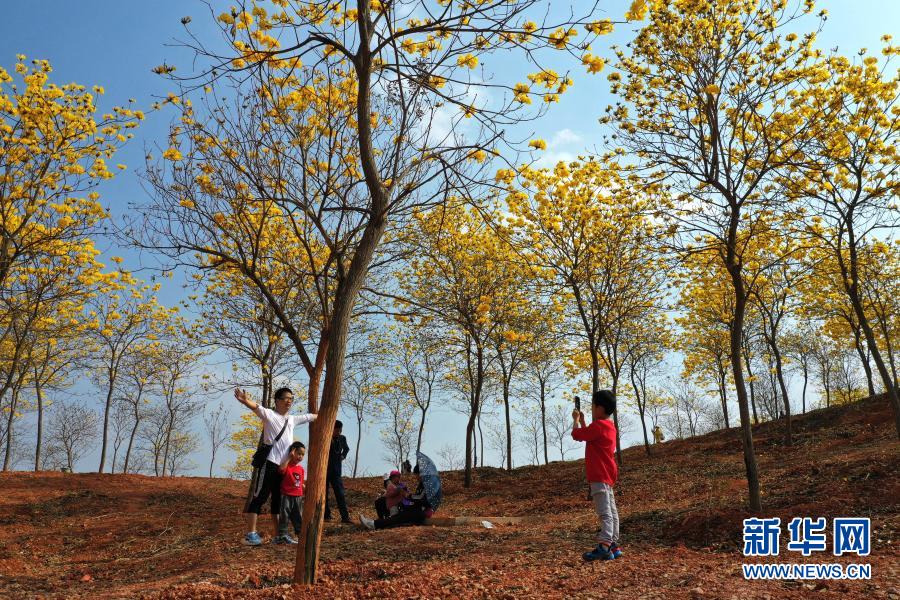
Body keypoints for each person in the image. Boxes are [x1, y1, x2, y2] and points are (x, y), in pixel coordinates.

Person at [236, 387, 316, 546]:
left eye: (291, 399)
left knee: (278, 502)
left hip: (283, 468)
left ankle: (280, 534)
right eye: (286, 398)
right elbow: (255, 407)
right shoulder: (270, 415)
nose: (289, 401)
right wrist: (245, 400)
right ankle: (250, 534)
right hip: (269, 463)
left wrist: (326, 413)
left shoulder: (292, 419)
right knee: (260, 497)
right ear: (277, 400)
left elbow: (309, 417)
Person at [572, 389, 622, 561]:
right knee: (612, 510)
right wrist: (585, 421)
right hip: (608, 473)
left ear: (600, 408)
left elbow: (577, 435)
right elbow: (590, 437)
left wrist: (576, 421)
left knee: (604, 512)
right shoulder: (610, 427)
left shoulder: (598, 426)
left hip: (598, 474)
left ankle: (604, 545)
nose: (592, 409)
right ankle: (614, 544)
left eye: (593, 406)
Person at [359, 469, 434, 530]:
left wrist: (408, 496)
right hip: (415, 509)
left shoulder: (427, 485)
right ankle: (376, 522)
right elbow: (416, 498)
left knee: (398, 518)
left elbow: (423, 500)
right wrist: (409, 497)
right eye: (395, 477)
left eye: (417, 475)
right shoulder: (421, 485)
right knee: (383, 504)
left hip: (421, 512)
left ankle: (373, 524)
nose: (416, 477)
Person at [276, 441, 306, 544]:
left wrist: (305, 489)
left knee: (298, 516)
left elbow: (300, 483)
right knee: (284, 515)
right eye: (298, 453)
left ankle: (300, 535)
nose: (300, 457)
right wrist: (289, 458)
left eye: (303, 455)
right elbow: (280, 470)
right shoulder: (287, 465)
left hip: (298, 497)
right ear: (292, 452)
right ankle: (282, 535)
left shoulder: (301, 469)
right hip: (286, 495)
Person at [324, 420, 351, 523]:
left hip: (336, 472)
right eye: (337, 430)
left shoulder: (342, 438)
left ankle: (345, 517)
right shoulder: (326, 437)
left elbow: (346, 449)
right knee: (324, 494)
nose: (339, 432)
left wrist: (343, 456)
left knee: (340, 494)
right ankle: (326, 515)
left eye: (340, 430)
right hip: (325, 471)